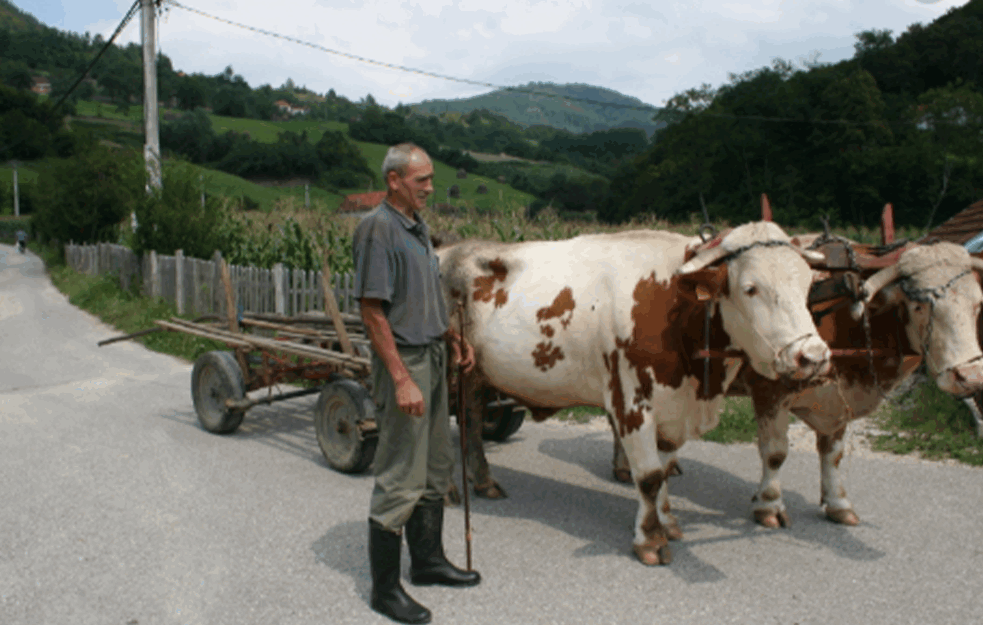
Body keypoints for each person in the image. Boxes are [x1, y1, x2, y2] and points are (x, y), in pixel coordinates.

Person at [353, 143, 480, 625]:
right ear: (394, 181)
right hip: (403, 361)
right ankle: (384, 590)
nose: (430, 187)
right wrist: (402, 379)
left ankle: (427, 563)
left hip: (431, 353)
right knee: (401, 470)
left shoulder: (417, 227)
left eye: (429, 179)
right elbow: (372, 312)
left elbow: (422, 295)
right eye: (421, 179)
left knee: (435, 466)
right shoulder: (378, 230)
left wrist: (450, 337)